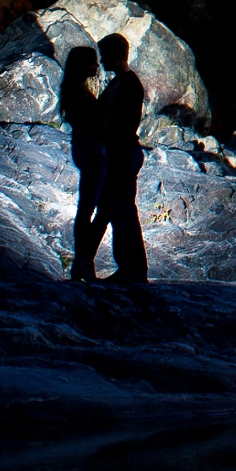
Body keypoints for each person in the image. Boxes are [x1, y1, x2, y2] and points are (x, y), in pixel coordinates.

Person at [73, 32, 151, 286]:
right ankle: (126, 267)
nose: (102, 62)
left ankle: (134, 269)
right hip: (120, 153)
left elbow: (120, 124)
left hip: (122, 154)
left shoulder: (127, 85)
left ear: (118, 56)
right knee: (116, 211)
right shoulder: (124, 82)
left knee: (124, 211)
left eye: (105, 57)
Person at [57, 44, 110, 283]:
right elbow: (97, 126)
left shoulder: (72, 90)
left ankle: (82, 262)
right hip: (93, 151)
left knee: (91, 209)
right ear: (83, 65)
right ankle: (83, 262)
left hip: (83, 148)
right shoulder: (80, 94)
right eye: (92, 62)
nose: (96, 67)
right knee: (94, 209)